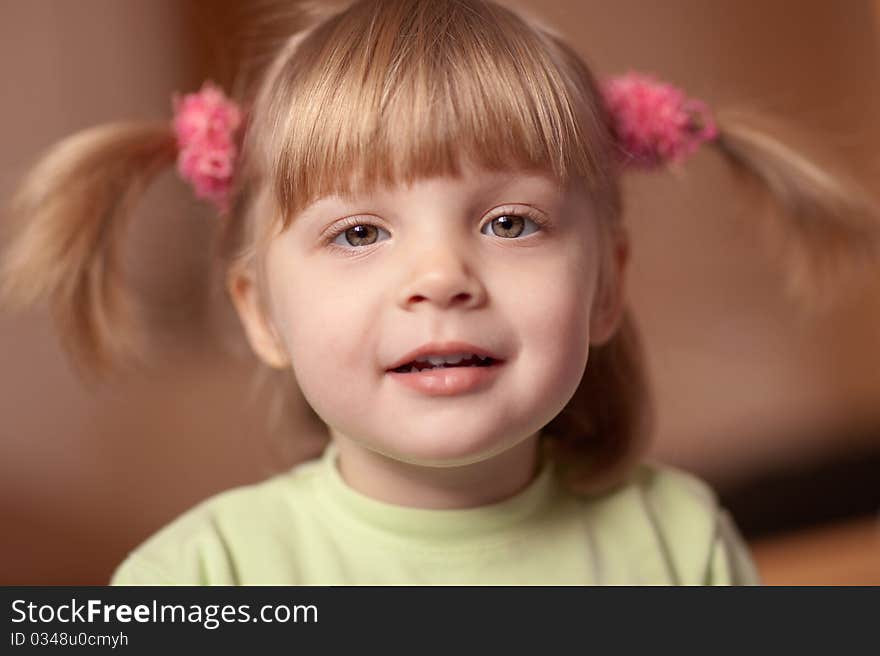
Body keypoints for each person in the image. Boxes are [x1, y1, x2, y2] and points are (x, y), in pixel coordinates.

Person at [2, 0, 877, 585]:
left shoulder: (680, 544)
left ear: (607, 283)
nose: (441, 278)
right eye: (359, 233)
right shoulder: (206, 576)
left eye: (509, 224)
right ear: (262, 313)